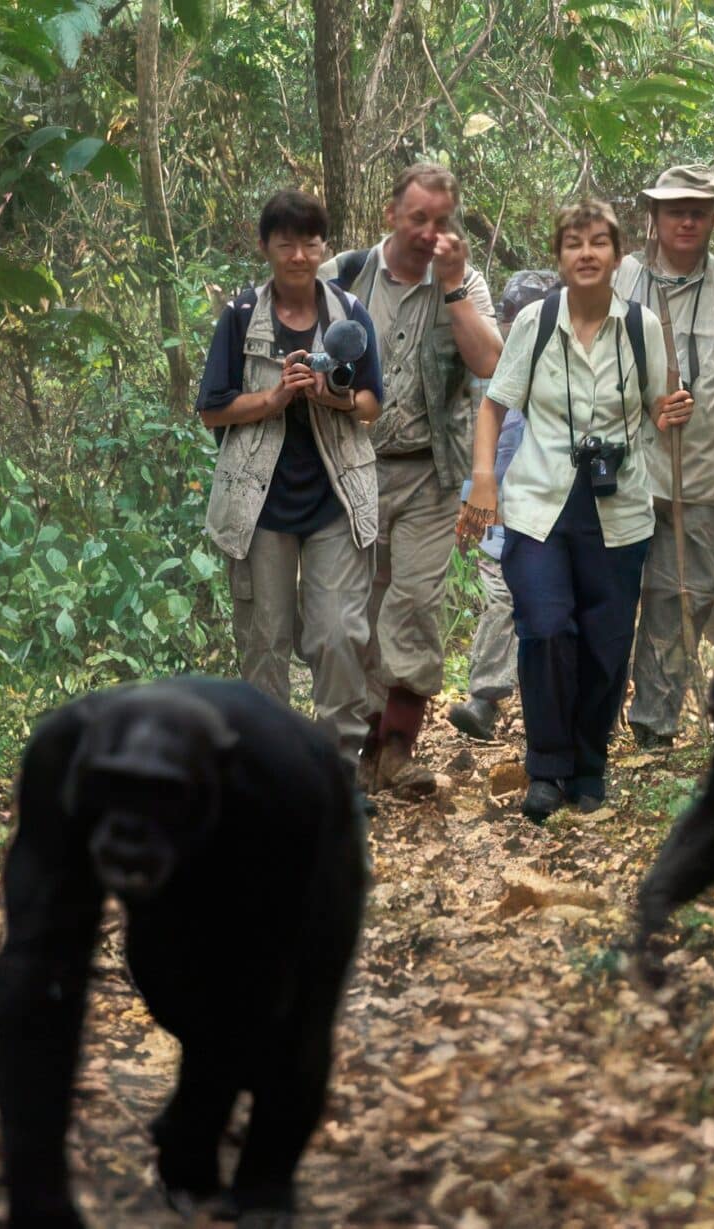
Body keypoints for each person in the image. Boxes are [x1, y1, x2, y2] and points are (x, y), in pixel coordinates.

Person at [459, 200, 682, 822]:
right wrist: (485, 481)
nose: (586, 253)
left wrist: (669, 413)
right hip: (538, 503)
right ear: (559, 256)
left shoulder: (643, 327)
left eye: (598, 243)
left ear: (618, 255)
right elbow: (494, 407)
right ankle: (548, 766)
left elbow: (659, 411)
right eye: (573, 243)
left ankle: (590, 764)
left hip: (620, 506)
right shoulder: (535, 320)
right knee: (547, 625)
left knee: (607, 646)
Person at [323, 163, 503, 794]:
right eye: (418, 217)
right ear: (391, 214)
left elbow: (491, 366)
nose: (430, 232)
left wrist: (452, 287)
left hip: (431, 473)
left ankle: (398, 746)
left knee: (415, 606)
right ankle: (362, 748)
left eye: (442, 221)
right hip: (352, 471)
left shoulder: (466, 282)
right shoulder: (343, 278)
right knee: (358, 611)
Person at [196, 190, 385, 757]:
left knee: (337, 635)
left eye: (310, 242)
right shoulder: (240, 317)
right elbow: (212, 408)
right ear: (265, 247)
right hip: (260, 505)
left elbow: (374, 403)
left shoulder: (349, 314)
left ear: (324, 246)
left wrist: (334, 400)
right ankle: (269, 771)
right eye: (286, 243)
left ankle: (338, 769)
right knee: (264, 640)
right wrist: (275, 397)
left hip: (336, 499)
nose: (299, 255)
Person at [612, 164, 714, 749]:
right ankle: (591, 720)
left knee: (684, 593)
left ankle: (654, 723)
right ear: (653, 215)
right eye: (675, 209)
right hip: (624, 473)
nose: (687, 220)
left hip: (703, 478)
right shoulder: (619, 279)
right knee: (609, 596)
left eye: (699, 210)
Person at [448, 269, 559, 742]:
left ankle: (549, 711)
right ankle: (486, 698)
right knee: (501, 600)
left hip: (552, 512)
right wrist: (470, 503)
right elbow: (480, 438)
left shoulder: (565, 370)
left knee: (548, 610)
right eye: (510, 318)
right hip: (498, 512)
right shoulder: (487, 365)